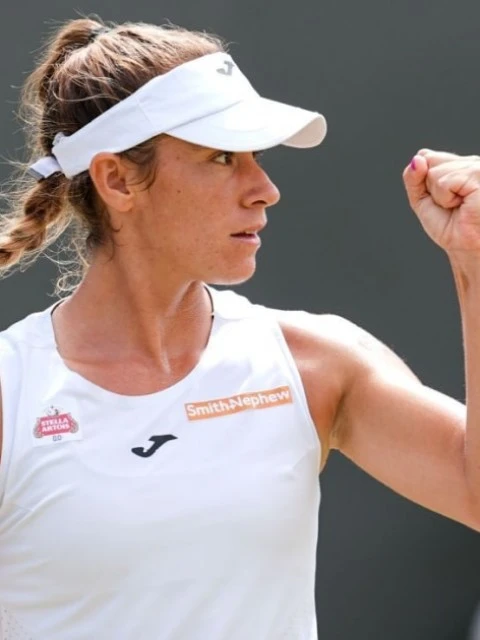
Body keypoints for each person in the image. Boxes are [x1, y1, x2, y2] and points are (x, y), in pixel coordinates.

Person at [0, 15, 478, 640]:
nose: (264, 189)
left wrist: (473, 263)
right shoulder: (12, 391)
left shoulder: (316, 362)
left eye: (256, 158)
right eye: (222, 157)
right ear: (118, 179)